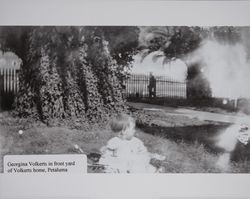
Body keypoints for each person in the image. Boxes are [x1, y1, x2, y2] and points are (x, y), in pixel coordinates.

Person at [99, 113, 165, 173]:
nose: (134, 131)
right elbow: (108, 153)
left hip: (133, 162)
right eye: (132, 129)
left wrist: (149, 154)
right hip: (122, 163)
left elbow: (143, 151)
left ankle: (155, 171)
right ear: (123, 132)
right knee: (116, 166)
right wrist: (105, 151)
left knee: (143, 165)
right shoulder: (115, 141)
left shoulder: (136, 141)